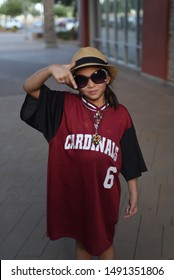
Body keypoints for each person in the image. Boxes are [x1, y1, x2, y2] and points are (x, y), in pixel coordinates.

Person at [20, 46, 147, 260]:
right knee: (82, 244)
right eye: (82, 80)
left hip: (105, 196)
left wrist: (133, 192)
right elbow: (29, 87)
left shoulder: (121, 114)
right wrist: (50, 69)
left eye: (97, 76)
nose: (90, 84)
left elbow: (130, 154)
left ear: (107, 78)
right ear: (74, 84)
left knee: (105, 243)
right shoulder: (62, 105)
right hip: (75, 194)